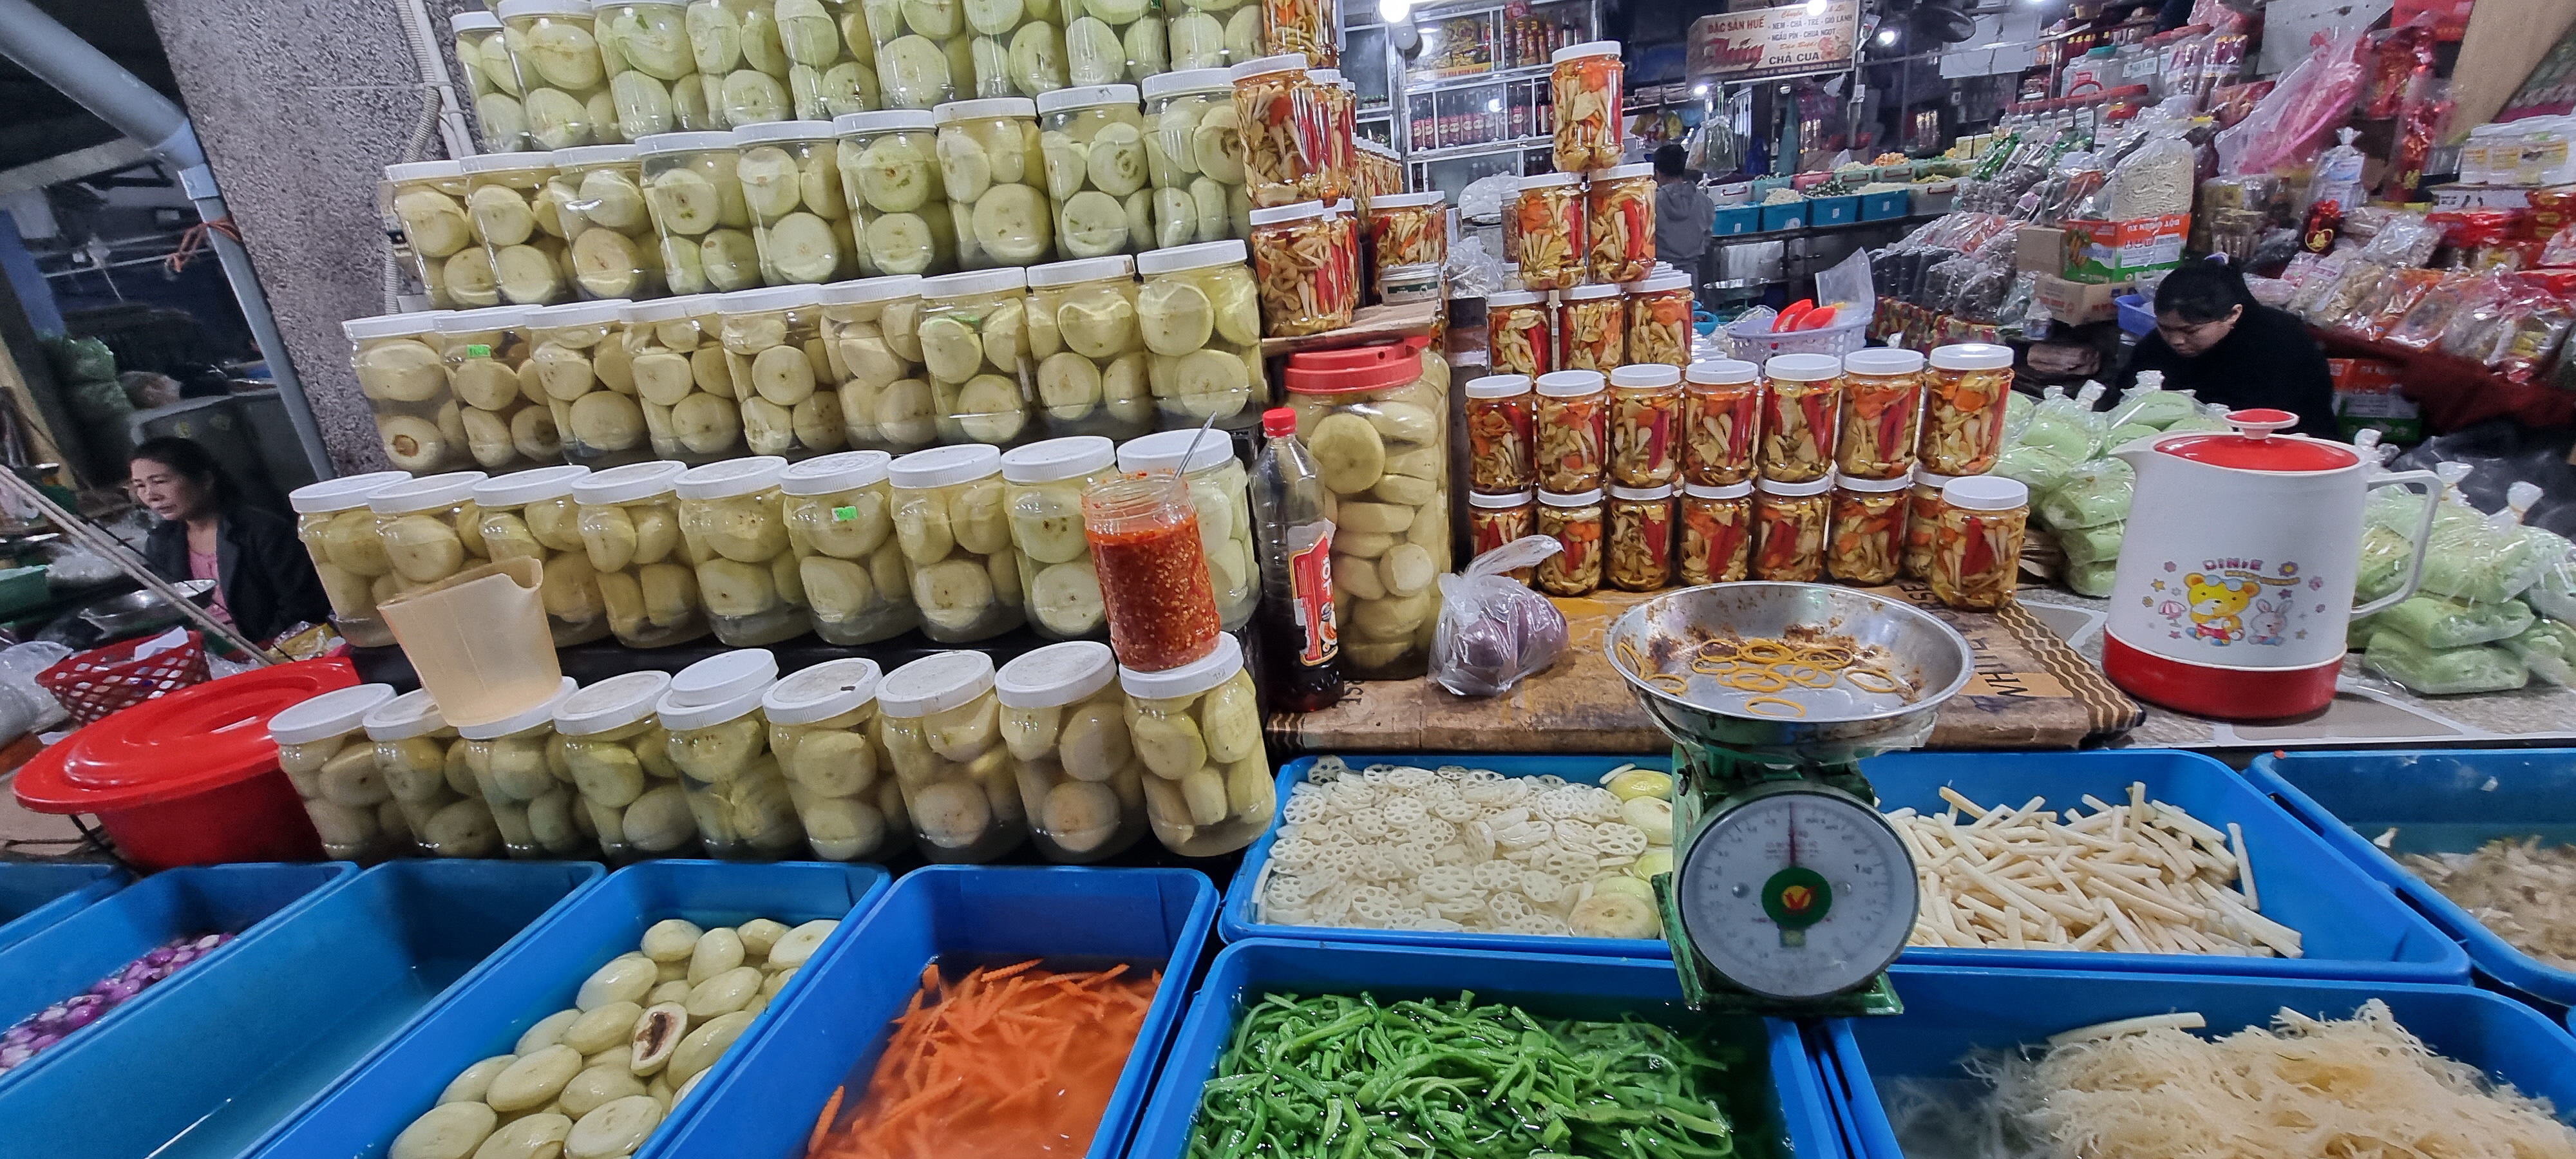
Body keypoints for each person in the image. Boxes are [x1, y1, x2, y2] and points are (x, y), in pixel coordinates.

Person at [130, 437, 328, 642]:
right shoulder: (160, 542)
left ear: (205, 480)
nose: (151, 495)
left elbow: (303, 606)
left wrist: (261, 650)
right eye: (140, 486)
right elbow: (169, 615)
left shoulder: (263, 531)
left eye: (160, 482)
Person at [2116, 258, 2340, 438]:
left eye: (2190, 331)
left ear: (2233, 314)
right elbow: (2122, 399)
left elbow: (2270, 424)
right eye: (2164, 328)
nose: (2176, 341)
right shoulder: (2156, 347)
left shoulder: (2280, 345)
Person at [1652, 144, 1708, 272]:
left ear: (1657, 173)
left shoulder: (1651, 203)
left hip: (1659, 273)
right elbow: (1708, 234)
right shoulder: (1703, 200)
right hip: (1691, 273)